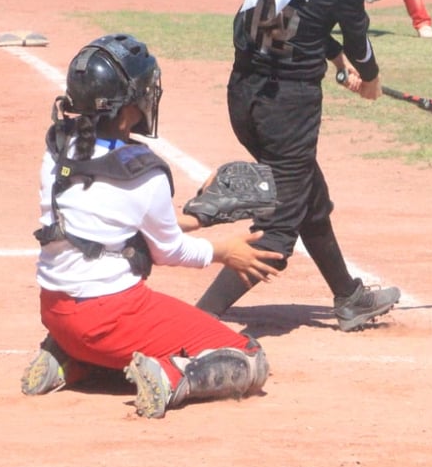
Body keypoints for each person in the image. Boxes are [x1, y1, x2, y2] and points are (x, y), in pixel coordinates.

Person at [19, 33, 284, 419]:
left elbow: (110, 221)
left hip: (57, 313)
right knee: (248, 359)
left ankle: (69, 359)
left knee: (112, 309)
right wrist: (223, 251)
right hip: (108, 317)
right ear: (127, 105)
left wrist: (197, 215)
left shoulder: (59, 146)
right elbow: (167, 251)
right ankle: (171, 379)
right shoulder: (143, 172)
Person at [193, 0, 402, 331]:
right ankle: (194, 323)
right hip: (288, 111)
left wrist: (331, 59)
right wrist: (366, 79)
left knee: (309, 196)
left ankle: (349, 297)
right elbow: (362, 51)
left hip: (245, 97)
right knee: (279, 234)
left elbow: (283, 21)